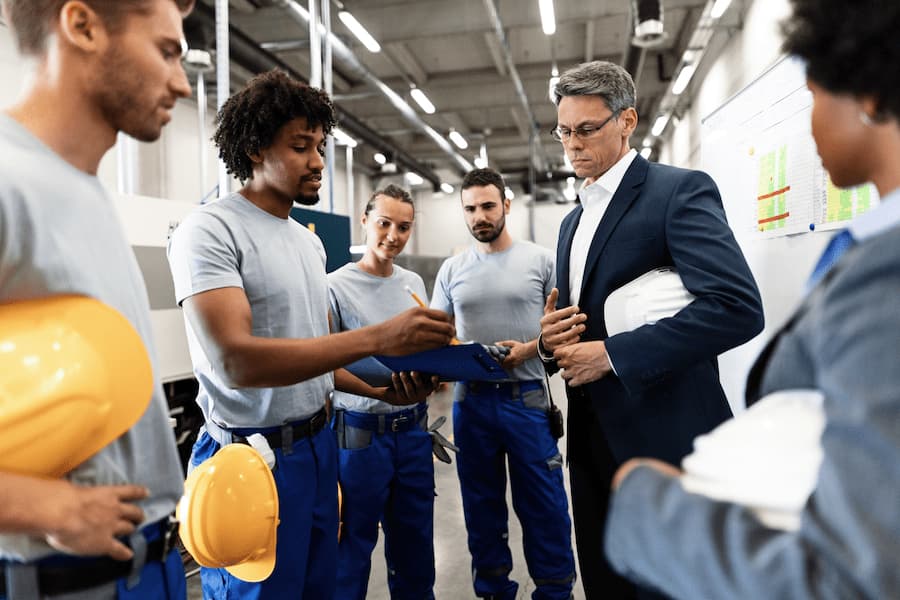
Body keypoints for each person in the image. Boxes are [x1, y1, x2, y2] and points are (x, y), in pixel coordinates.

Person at [603, 1, 900, 597]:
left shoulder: (883, 280)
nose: (811, 123)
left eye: (813, 94)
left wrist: (644, 500)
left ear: (867, 96)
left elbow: (850, 578)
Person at [166, 69, 454, 599]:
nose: (319, 161)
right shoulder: (208, 231)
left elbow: (315, 356)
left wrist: (380, 392)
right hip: (251, 459)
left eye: (320, 145)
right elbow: (238, 362)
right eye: (301, 146)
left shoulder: (308, 243)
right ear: (254, 148)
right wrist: (379, 337)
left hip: (320, 449)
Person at [538, 60, 764, 599]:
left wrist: (613, 356)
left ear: (627, 121)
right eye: (563, 131)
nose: (571, 144)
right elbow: (575, 327)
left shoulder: (677, 193)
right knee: (604, 580)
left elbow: (737, 306)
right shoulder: (573, 220)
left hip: (665, 439)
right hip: (590, 444)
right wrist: (549, 342)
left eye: (586, 129)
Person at [0, 0, 194, 598]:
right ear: (81, 26)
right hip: (65, 579)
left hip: (150, 565)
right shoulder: (8, 182)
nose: (183, 83)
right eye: (165, 51)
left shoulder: (86, 189)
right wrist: (39, 508)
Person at [431, 168, 576, 600]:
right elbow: (440, 334)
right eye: (471, 208)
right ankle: (493, 591)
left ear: (506, 205)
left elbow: (565, 329)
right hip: (471, 403)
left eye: (488, 205)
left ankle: (554, 593)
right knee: (481, 508)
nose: (480, 216)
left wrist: (528, 350)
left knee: (545, 506)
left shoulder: (541, 260)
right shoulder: (452, 269)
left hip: (527, 400)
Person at [328, 184, 439, 599]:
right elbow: (325, 364)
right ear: (364, 221)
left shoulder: (412, 283)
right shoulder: (335, 287)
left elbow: (425, 349)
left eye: (404, 227)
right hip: (359, 437)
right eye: (384, 223)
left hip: (412, 432)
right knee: (351, 550)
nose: (393, 235)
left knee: (415, 549)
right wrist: (379, 392)